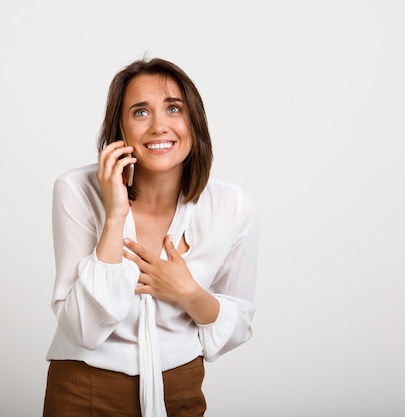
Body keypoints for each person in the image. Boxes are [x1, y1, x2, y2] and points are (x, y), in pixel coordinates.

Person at [42, 57, 259, 417]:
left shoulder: (232, 206)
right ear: (120, 129)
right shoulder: (75, 190)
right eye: (140, 112)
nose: (159, 126)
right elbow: (82, 329)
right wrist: (114, 217)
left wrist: (186, 292)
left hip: (179, 388)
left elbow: (237, 324)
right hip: (85, 389)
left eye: (174, 108)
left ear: (194, 121)